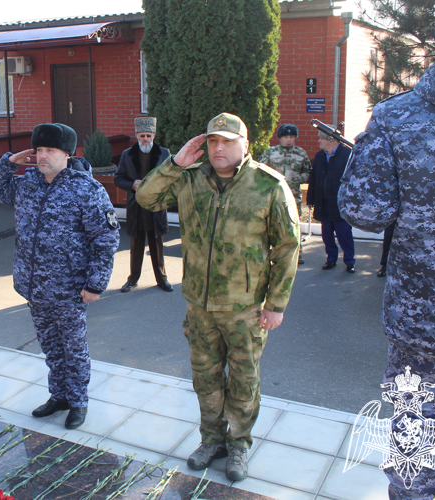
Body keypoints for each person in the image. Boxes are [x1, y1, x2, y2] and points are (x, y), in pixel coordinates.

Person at [338, 0, 435, 496]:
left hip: (421, 325)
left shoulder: (398, 116)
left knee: (411, 450)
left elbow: (365, 211)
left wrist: (369, 151)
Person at [136, 113, 299, 481]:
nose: (218, 148)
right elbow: (146, 198)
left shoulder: (268, 186)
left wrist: (276, 304)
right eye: (212, 141)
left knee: (243, 381)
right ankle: (212, 439)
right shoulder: (189, 180)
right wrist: (175, 163)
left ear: (245, 145)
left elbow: (288, 248)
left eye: (226, 141)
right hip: (200, 305)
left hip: (246, 308)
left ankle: (239, 443)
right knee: (205, 379)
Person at [0, 123, 120, 430]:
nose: (42, 156)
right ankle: (58, 395)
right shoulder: (27, 183)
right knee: (50, 345)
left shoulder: (86, 189)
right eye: (39, 150)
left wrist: (95, 283)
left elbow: (105, 239)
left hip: (70, 288)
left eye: (50, 150)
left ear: (67, 154)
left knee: (74, 347)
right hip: (34, 286)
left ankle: (78, 402)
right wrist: (9, 162)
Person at [113, 117, 172, 292]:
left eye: (148, 135)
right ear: (136, 135)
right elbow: (118, 178)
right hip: (136, 207)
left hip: (156, 206)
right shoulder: (127, 154)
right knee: (136, 246)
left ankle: (162, 279)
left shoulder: (164, 153)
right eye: (141, 135)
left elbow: (171, 177)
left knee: (157, 246)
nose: (145, 139)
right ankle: (132, 279)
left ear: (153, 134)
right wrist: (131, 185)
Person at [258, 124, 311, 264]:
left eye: (291, 137)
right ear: (280, 138)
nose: (288, 140)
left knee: (294, 225)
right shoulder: (270, 153)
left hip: (294, 197)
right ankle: (274, 253)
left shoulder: (301, 153)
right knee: (272, 224)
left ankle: (298, 254)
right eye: (286, 137)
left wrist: (300, 179)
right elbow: (260, 169)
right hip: (274, 195)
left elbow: (308, 171)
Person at [307, 128, 355, 273]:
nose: (318, 141)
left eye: (321, 138)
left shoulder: (347, 155)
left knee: (344, 234)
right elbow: (314, 179)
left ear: (330, 140)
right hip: (324, 203)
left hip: (341, 204)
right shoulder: (320, 156)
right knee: (327, 235)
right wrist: (310, 199)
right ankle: (331, 259)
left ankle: (349, 261)